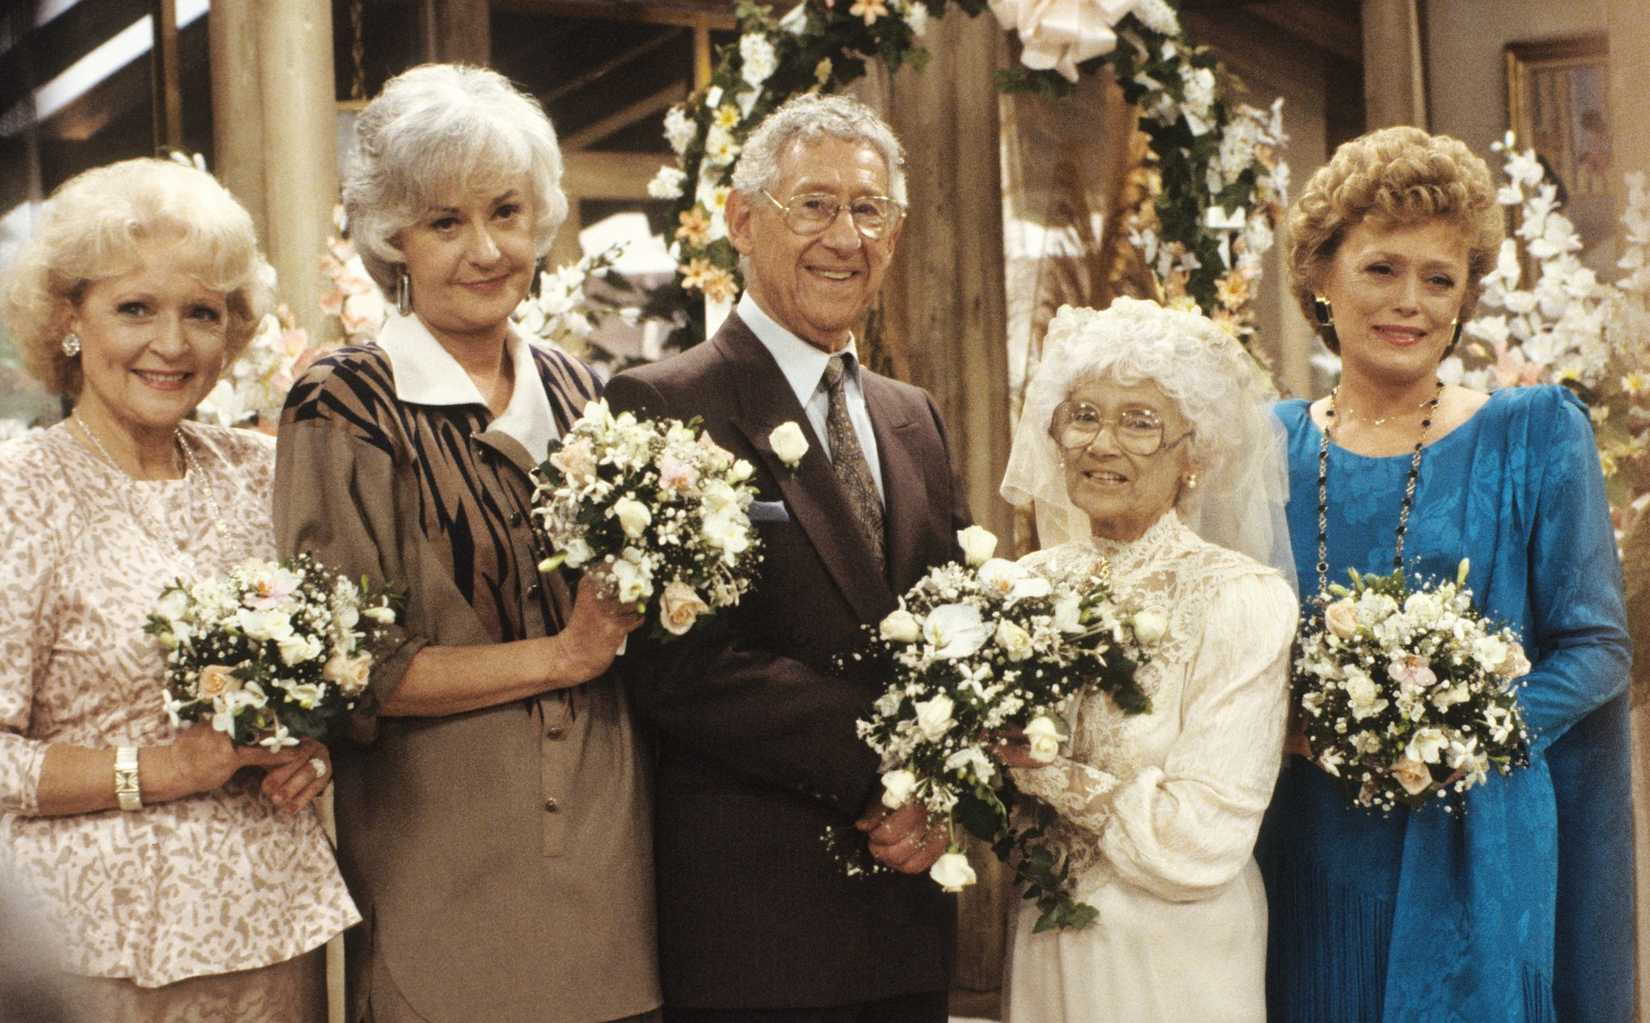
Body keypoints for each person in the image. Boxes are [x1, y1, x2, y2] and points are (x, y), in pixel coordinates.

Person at [273, 65, 658, 1023]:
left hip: (611, 859)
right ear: (390, 236)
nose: (486, 249)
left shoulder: (580, 388)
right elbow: (350, 669)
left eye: (507, 212)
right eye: (446, 222)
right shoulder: (343, 404)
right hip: (440, 859)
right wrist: (565, 654)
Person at [1255, 125, 1635, 1021]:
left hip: (1478, 848)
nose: (1411, 304)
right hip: (1304, 848)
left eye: (1441, 278)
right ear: (1319, 274)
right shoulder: (1267, 443)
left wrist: (1451, 731)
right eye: (1382, 268)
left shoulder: (1536, 430)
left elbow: (1597, 646)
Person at [603, 93, 969, 1022]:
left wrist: (947, 779)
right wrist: (893, 762)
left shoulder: (912, 415)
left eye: (869, 210)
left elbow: (957, 632)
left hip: (910, 908)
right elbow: (678, 664)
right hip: (758, 930)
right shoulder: (663, 403)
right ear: (740, 218)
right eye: (813, 205)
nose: (844, 237)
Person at [0, 157, 356, 1021]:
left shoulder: (262, 473)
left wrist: (312, 749)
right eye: (135, 308)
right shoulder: (19, 493)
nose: (173, 343)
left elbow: (320, 677)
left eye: (202, 312)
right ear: (67, 319)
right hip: (94, 954)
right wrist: (160, 769)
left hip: (276, 932)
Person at [993, 298, 1297, 1022]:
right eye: (1085, 414)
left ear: (1194, 454)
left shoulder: (1241, 601)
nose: (1103, 442)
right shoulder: (1019, 589)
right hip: (1050, 935)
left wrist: (1050, 776)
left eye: (1139, 421)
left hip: (1178, 951)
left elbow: (1203, 836)